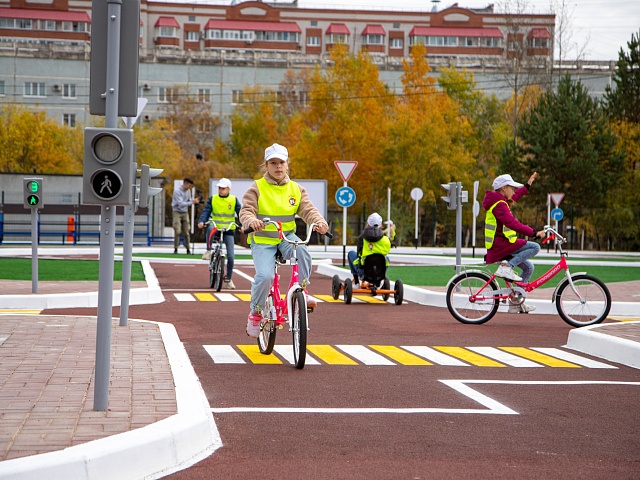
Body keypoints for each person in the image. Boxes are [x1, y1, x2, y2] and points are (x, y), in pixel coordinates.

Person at [240, 143, 329, 338]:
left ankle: (302, 291)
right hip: (263, 239)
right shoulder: (257, 187)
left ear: (287, 164)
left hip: (286, 237)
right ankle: (255, 312)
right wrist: (251, 221)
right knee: (265, 276)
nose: (278, 167)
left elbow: (308, 210)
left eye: (281, 162)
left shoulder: (296, 189)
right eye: (273, 163)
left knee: (303, 252)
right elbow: (246, 210)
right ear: (266, 165)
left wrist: (319, 222)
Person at [483, 172, 546, 314]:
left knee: (528, 268)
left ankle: (516, 302)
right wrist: (534, 233)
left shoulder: (499, 201)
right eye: (512, 188)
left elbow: (515, 197)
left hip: (503, 244)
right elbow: (512, 223)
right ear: (504, 188)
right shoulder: (499, 205)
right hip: (500, 246)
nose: (514, 191)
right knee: (535, 246)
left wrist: (527, 186)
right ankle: (507, 267)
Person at [197, 178, 241, 289]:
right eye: (219, 188)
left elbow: (241, 213)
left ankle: (228, 279)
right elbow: (206, 211)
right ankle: (208, 250)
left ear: (228, 189)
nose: (220, 190)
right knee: (210, 227)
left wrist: (243, 224)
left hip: (228, 231)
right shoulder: (213, 199)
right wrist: (202, 221)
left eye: (223, 188)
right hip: (215, 228)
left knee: (231, 256)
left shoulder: (234, 200)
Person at [347, 213, 396, 288]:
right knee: (386, 258)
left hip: (364, 272)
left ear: (368, 224)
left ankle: (356, 282)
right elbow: (386, 252)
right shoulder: (386, 239)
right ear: (380, 225)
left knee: (351, 253)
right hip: (379, 273)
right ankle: (378, 282)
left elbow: (359, 253)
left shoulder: (362, 238)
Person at [172, 178, 199, 254]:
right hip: (177, 211)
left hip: (185, 212)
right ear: (185, 183)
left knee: (187, 230)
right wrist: (192, 202)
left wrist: (193, 201)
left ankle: (188, 248)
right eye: (189, 185)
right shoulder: (177, 191)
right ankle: (176, 248)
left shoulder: (188, 191)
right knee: (177, 230)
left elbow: (188, 200)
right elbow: (180, 203)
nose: (189, 187)